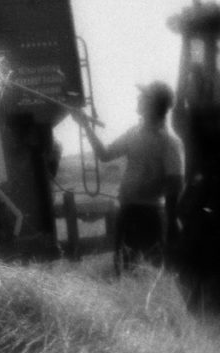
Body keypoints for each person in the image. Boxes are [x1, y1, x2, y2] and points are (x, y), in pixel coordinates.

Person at [72, 81, 184, 271]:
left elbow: (175, 182)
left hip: (150, 216)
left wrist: (171, 222)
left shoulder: (169, 142)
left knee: (149, 272)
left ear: (153, 104)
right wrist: (85, 126)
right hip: (127, 211)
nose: (138, 98)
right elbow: (105, 154)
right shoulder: (134, 133)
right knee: (125, 272)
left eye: (143, 96)